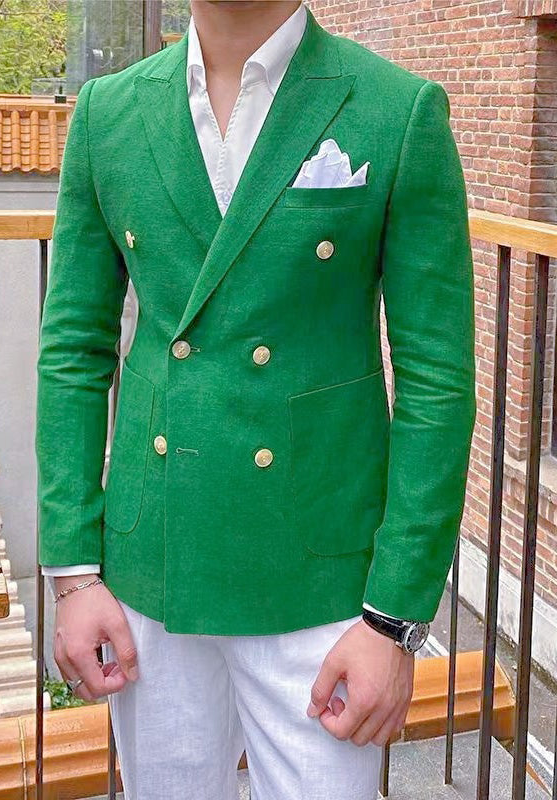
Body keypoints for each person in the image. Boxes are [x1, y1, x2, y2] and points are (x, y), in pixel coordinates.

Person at [35, 1, 477, 798]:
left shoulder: (397, 109)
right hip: (150, 569)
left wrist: (394, 619)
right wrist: (73, 572)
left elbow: (436, 383)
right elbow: (73, 350)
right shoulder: (107, 113)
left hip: (325, 586)